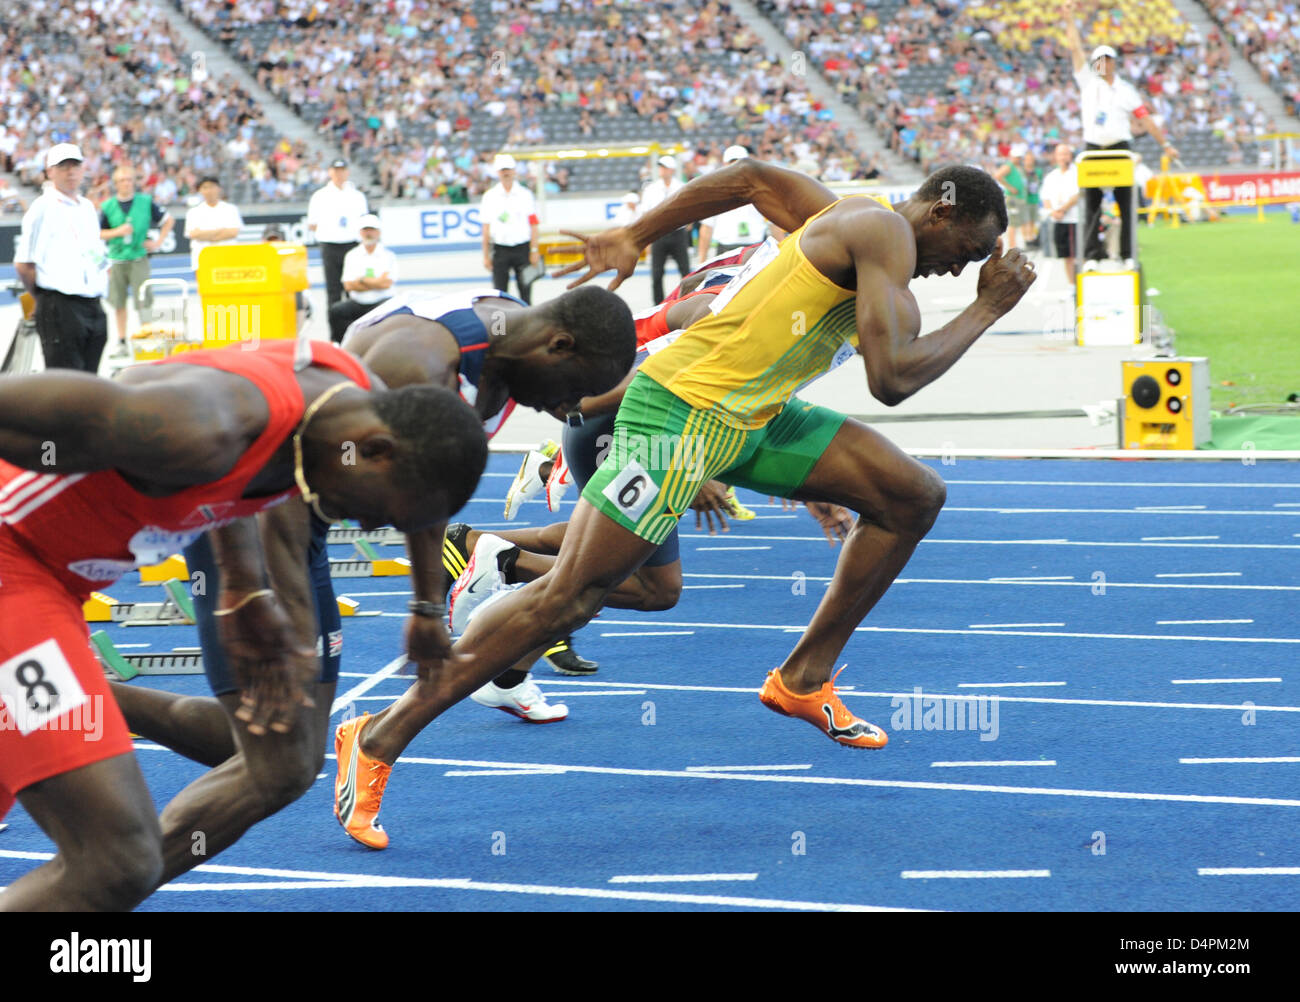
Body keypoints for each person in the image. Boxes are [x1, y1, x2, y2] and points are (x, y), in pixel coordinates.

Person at [328, 158, 1038, 845]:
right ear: (940, 212)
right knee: (571, 599)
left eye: (978, 266)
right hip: (679, 417)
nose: (966, 267)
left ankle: (803, 678)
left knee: (912, 495)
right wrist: (988, 307)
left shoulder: (855, 234)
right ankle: (380, 734)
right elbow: (891, 379)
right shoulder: (882, 232)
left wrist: (639, 234)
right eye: (969, 250)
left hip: (753, 419)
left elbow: (751, 178)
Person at [0, 339, 488, 910]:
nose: (363, 522)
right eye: (380, 512)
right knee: (116, 862)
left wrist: (242, 586)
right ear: (377, 450)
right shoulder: (199, 423)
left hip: (55, 587)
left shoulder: (345, 404)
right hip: (15, 573)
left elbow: (239, 474)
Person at [1063, 0, 1179, 267]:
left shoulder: (1126, 90)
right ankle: (1093, 255)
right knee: (1091, 203)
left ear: (1113, 62)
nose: (1101, 64)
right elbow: (1075, 48)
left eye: (1105, 59)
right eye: (1097, 60)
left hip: (1120, 146)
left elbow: (1145, 119)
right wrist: (1069, 19)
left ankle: (1127, 254)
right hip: (1093, 147)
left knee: (1126, 204)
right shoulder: (1088, 83)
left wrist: (1166, 144)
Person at [13, 144, 110, 373]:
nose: (71, 172)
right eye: (63, 166)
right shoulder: (42, 208)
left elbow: (94, 251)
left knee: (89, 379)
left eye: (75, 166)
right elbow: (24, 264)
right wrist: (43, 298)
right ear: (50, 172)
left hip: (93, 302)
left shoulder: (87, 207)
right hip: (60, 303)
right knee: (66, 383)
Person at [99, 164, 174, 358]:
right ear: (116, 184)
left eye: (129, 179)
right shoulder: (108, 206)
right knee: (118, 302)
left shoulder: (145, 201)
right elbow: (98, 233)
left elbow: (168, 220)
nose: (126, 183)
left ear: (134, 182)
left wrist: (158, 242)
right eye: (122, 180)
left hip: (139, 257)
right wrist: (118, 232)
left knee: (144, 301)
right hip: (116, 259)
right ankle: (121, 340)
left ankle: (147, 337)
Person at [308, 159, 369, 308]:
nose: (339, 174)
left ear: (347, 172)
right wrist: (331, 232)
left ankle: (355, 328)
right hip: (330, 245)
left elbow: (364, 222)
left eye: (342, 170)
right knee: (333, 290)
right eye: (336, 170)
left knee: (354, 289)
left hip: (352, 244)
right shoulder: (320, 196)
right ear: (330, 172)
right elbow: (312, 224)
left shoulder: (357, 196)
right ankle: (335, 330)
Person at [480, 153, 541, 304]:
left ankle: (528, 327)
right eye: (502, 170)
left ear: (514, 171)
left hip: (523, 248)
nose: (506, 172)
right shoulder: (490, 196)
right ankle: (501, 328)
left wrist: (534, 250)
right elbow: (485, 228)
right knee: (499, 295)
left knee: (526, 292)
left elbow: (533, 224)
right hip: (500, 249)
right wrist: (486, 255)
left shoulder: (525, 195)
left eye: (508, 169)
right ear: (497, 172)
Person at [695, 147, 771, 265]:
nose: (736, 167)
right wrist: (702, 259)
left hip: (756, 248)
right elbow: (706, 227)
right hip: (727, 250)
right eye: (732, 163)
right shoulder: (714, 191)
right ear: (725, 164)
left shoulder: (761, 189)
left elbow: (773, 222)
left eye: (739, 163)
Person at [328, 214, 397, 343]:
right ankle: (341, 344)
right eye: (365, 230)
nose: (368, 233)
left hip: (380, 301)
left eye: (371, 230)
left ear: (378, 232)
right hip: (358, 302)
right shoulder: (352, 255)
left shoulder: (388, 255)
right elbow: (348, 285)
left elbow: (386, 284)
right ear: (360, 232)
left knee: (391, 310)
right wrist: (376, 282)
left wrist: (361, 280)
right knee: (336, 311)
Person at [641, 154, 689, 303]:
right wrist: (647, 239)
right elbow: (645, 215)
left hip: (678, 233)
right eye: (661, 167)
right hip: (659, 234)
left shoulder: (682, 187)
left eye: (665, 167)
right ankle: (658, 305)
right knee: (656, 274)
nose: (662, 170)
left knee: (685, 272)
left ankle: (687, 300)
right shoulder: (651, 189)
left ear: (672, 170)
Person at [1040, 143, 1081, 288]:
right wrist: (1053, 212)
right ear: (1055, 157)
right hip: (1059, 221)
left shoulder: (1077, 172)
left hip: (1075, 219)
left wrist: (1062, 209)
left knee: (1079, 255)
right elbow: (1045, 198)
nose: (1063, 157)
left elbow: (1078, 194)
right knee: (1066, 256)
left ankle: (1081, 284)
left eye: (1066, 154)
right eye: (1060, 154)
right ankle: (1071, 285)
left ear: (1070, 156)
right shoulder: (1051, 176)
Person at [184, 176, 243, 273]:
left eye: (212, 187)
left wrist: (205, 235)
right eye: (205, 187)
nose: (209, 191)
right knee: (204, 287)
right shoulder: (194, 212)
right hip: (202, 258)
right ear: (200, 191)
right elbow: (193, 234)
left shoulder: (230, 209)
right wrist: (220, 231)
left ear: (219, 188)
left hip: (227, 257)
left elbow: (233, 232)